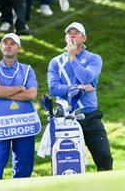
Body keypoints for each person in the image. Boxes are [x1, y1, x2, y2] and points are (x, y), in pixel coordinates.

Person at [47, 22, 113, 171]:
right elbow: (54, 88)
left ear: (84, 38)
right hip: (64, 119)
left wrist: (72, 57)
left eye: (77, 33)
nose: (72, 35)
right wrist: (78, 88)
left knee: (104, 157)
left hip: (89, 115)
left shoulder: (94, 58)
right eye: (70, 33)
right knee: (66, 161)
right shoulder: (55, 62)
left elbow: (86, 77)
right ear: (65, 38)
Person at [0, 33, 41, 180]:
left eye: (12, 43)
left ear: (19, 48)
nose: (8, 45)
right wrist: (20, 87)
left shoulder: (27, 69)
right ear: (1, 47)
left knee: (24, 165)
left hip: (24, 123)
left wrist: (4, 92)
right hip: (0, 123)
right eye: (5, 43)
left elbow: (31, 94)